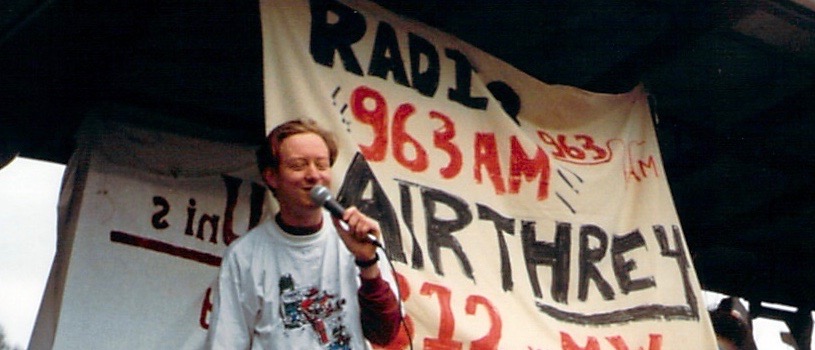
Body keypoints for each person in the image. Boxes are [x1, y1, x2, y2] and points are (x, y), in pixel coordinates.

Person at [206, 119, 401, 349]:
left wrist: (368, 262)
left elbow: (385, 333)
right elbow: (226, 342)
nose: (313, 175)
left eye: (321, 165)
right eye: (299, 166)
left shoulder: (355, 241)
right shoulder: (244, 256)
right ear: (272, 177)